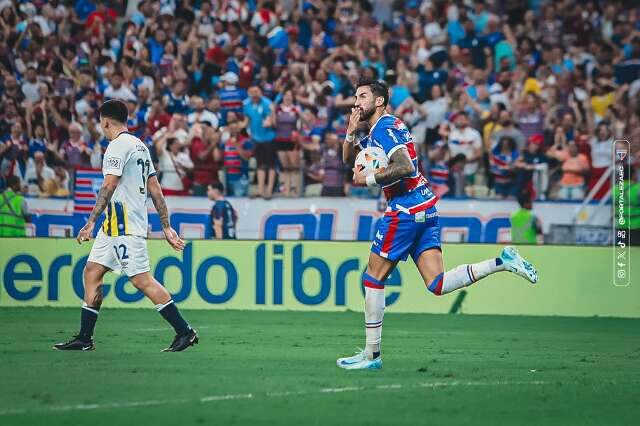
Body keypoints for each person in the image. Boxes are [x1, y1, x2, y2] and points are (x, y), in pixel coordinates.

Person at [337, 79, 537, 370]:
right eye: (355, 96)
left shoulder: (385, 129)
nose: (357, 102)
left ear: (379, 101)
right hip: (425, 206)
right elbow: (349, 161)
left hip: (405, 210)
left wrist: (367, 180)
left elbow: (407, 167)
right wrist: (350, 132)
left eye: (363, 96)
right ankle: (502, 261)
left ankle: (371, 356)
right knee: (437, 283)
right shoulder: (378, 129)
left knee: (373, 277)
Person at [54, 100, 198, 352]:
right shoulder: (140, 146)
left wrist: (89, 222)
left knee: (142, 280)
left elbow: (108, 186)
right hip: (112, 227)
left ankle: (185, 332)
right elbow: (156, 190)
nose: (101, 125)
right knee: (92, 271)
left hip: (125, 225)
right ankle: (85, 338)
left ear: (106, 121)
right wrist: (166, 226)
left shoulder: (116, 147)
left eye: (100, 121)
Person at [242, 86, 276, 199]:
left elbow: (270, 118)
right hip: (256, 139)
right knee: (260, 165)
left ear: (260, 92)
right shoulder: (246, 105)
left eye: (256, 92)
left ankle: (269, 190)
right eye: (252, 92)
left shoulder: (267, 103)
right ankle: (261, 191)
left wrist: (269, 121)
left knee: (271, 165)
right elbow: (247, 121)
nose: (254, 94)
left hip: (269, 138)